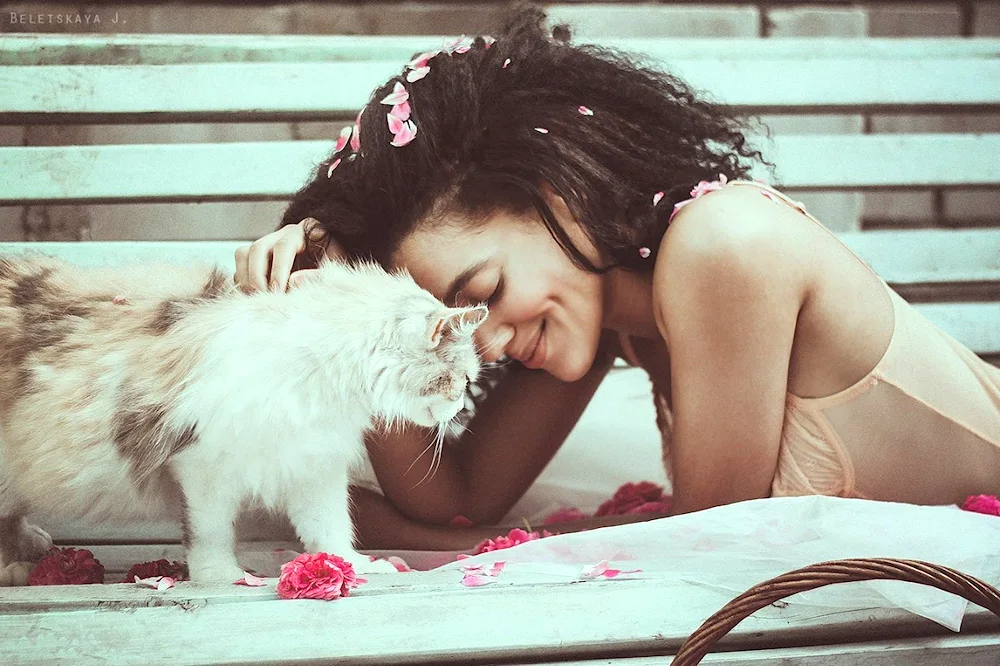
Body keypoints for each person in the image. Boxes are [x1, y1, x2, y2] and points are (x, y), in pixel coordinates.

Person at [234, 8, 1000, 551]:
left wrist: (493, 552)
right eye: (454, 323)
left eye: (485, 294)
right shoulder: (602, 322)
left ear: (557, 191)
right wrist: (351, 306)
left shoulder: (725, 245)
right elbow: (458, 502)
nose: (487, 344)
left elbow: (702, 550)